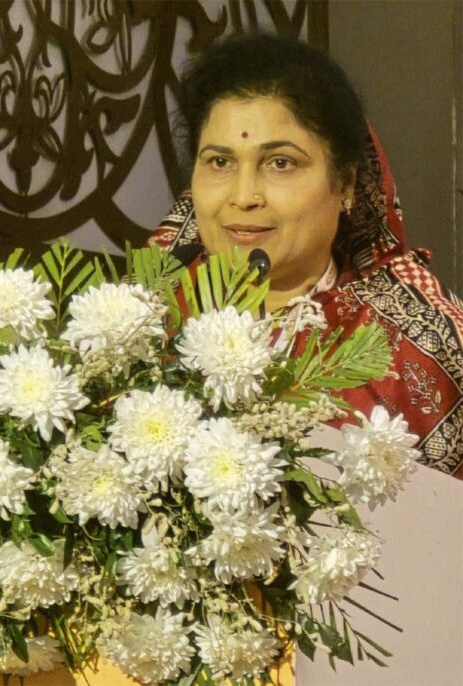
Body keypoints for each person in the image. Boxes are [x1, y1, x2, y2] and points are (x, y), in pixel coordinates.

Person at [151, 33, 463, 479]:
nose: (243, 196)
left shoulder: (418, 345)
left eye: (280, 163)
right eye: (220, 162)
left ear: (346, 183)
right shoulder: (140, 327)